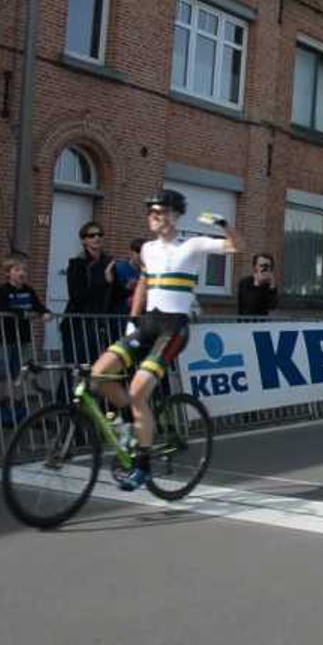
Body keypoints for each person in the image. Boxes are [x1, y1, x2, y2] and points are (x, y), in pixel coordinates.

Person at [90, 190, 241, 491]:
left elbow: (237, 246)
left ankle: (143, 466)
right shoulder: (147, 248)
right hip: (149, 324)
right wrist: (132, 319)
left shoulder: (192, 245)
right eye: (150, 212)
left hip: (173, 330)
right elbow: (144, 283)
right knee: (99, 374)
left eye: (159, 211)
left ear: (174, 215)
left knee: (137, 391)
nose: (153, 216)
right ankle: (131, 422)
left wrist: (223, 224)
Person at [0, 257, 51, 400]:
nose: (21, 273)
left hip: (23, 336)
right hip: (5, 337)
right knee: (2, 369)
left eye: (23, 270)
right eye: (17, 270)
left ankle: (17, 399)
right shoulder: (4, 290)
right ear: (8, 273)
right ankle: (0, 398)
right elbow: (0, 308)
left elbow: (37, 305)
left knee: (19, 369)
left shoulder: (28, 290)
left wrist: (45, 312)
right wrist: (23, 313)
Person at [61, 220, 114, 365]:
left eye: (99, 234)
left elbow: (115, 294)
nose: (96, 238)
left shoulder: (109, 263)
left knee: (97, 368)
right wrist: (104, 281)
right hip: (78, 324)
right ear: (84, 240)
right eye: (91, 235)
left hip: (101, 324)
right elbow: (76, 295)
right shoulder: (77, 264)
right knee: (76, 367)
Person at [108, 238, 146, 315]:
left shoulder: (149, 271)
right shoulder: (119, 267)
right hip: (120, 314)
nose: (140, 255)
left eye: (144, 253)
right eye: (138, 251)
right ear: (131, 252)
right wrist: (126, 288)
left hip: (140, 315)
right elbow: (111, 292)